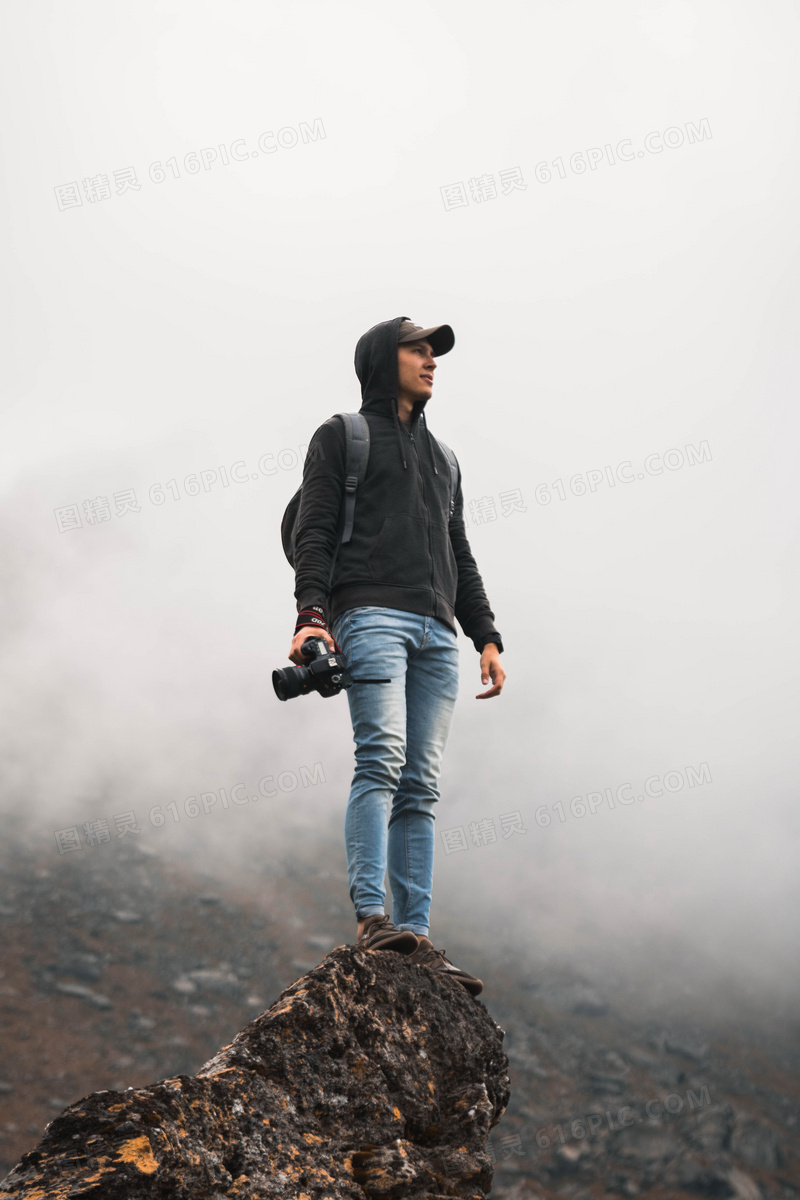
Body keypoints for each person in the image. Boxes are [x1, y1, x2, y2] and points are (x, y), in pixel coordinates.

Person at [287, 315, 505, 996]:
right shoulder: (342, 437)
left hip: (440, 632)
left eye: (434, 351)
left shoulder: (445, 459)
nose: (432, 360)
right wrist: (311, 617)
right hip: (371, 614)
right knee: (381, 757)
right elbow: (317, 529)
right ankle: (374, 919)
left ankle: (416, 937)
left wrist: (486, 635)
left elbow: (459, 552)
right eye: (418, 349)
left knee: (423, 784)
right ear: (386, 359)